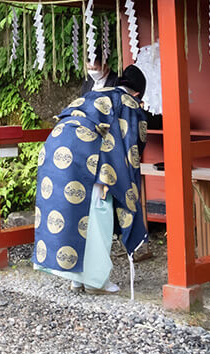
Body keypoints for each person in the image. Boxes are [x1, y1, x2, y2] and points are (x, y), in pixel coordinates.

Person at [34, 64, 149, 295]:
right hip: (87, 157)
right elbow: (131, 148)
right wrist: (121, 184)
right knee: (98, 216)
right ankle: (97, 282)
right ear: (137, 93)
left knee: (72, 214)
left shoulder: (94, 94)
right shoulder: (128, 103)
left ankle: (76, 279)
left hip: (54, 150)